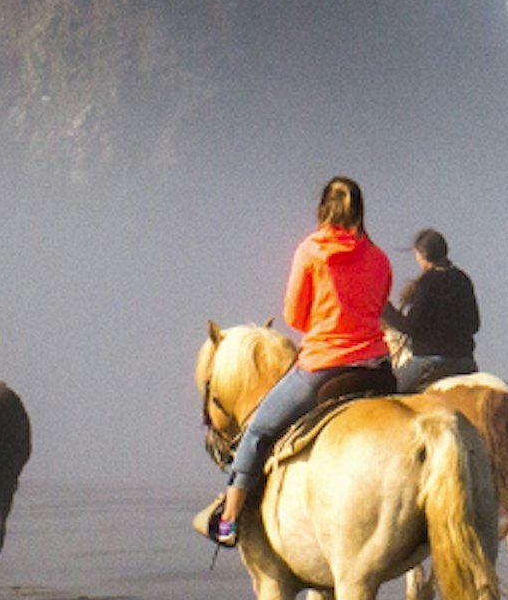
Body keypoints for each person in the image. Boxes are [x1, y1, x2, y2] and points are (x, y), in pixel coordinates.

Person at [200, 175, 397, 548]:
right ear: (359, 212)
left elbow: (294, 316)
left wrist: (326, 323)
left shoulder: (310, 251)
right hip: (377, 367)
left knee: (257, 432)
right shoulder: (379, 257)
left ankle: (228, 522)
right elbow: (380, 303)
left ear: (323, 209)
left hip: (324, 365)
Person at [387, 229, 482, 393]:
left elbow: (411, 327)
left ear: (423, 256)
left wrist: (387, 311)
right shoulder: (463, 279)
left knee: (386, 391)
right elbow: (474, 324)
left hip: (430, 363)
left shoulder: (426, 284)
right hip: (466, 363)